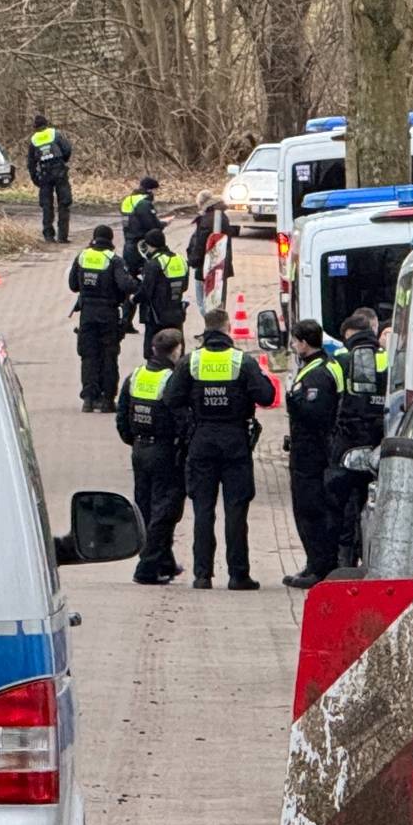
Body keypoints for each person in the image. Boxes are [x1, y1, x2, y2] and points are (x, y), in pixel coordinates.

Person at [163, 308, 275, 589]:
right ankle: (238, 575)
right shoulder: (241, 361)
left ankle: (202, 575)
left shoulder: (192, 361)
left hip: (202, 440)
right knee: (236, 510)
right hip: (235, 439)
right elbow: (266, 395)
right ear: (227, 329)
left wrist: (192, 419)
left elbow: (171, 397)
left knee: (203, 510)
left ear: (207, 329)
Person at [115, 328, 190, 585]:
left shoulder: (136, 376)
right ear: (176, 350)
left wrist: (133, 441)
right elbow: (181, 418)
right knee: (165, 509)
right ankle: (146, 567)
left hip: (140, 450)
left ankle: (164, 561)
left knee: (146, 506)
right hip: (164, 451)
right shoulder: (172, 380)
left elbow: (122, 416)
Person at [280, 319, 345, 588]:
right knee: (310, 509)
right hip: (313, 450)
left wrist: (291, 399)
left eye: (295, 341)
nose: (293, 346)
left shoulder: (318, 373)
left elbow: (314, 414)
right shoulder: (321, 366)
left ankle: (319, 568)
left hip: (313, 454)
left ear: (304, 343)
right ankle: (314, 563)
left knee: (311, 510)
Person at [326, 307, 392, 573]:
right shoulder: (389, 358)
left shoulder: (343, 360)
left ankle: (344, 561)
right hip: (381, 440)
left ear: (348, 335)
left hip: (348, 442)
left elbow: (333, 401)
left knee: (341, 505)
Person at [66, 225, 136, 412]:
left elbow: (73, 285)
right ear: (111, 240)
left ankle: (88, 398)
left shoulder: (82, 257)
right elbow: (126, 285)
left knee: (88, 356)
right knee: (109, 356)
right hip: (108, 314)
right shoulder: (114, 260)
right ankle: (107, 400)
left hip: (87, 314)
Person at [132, 231, 190, 360]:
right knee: (176, 351)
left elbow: (146, 291)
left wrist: (133, 299)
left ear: (150, 245)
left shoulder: (154, 263)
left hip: (156, 315)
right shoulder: (180, 260)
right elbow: (184, 286)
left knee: (155, 354)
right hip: (176, 313)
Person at [28, 114, 74, 243]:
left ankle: (48, 236)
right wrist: (63, 160)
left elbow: (31, 163)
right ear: (47, 124)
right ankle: (63, 236)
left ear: (35, 127)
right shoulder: (55, 134)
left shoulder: (33, 140)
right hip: (59, 171)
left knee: (47, 205)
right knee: (64, 203)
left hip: (44, 174)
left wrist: (35, 178)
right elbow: (67, 149)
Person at [119, 176, 164, 263]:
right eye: (155, 190)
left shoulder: (127, 200)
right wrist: (163, 224)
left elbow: (128, 222)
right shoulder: (144, 203)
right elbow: (152, 226)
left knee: (131, 272)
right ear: (150, 190)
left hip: (128, 244)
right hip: (142, 246)